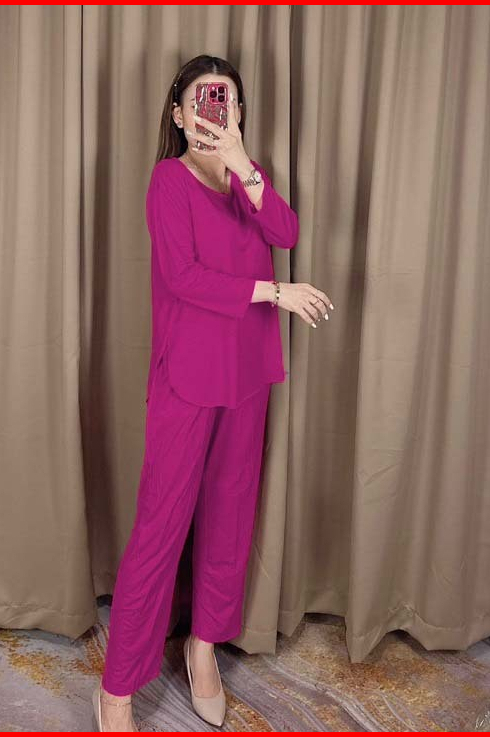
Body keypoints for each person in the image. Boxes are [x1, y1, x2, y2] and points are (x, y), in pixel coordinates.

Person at [93, 55, 334, 732]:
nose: (212, 111)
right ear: (178, 114)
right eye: (201, 100)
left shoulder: (246, 181)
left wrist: (243, 165)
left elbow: (285, 232)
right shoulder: (167, 181)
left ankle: (202, 648)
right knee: (160, 527)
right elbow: (182, 276)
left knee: (230, 519)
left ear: (238, 113)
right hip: (187, 377)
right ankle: (116, 688)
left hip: (248, 373)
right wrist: (274, 291)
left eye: (224, 100)